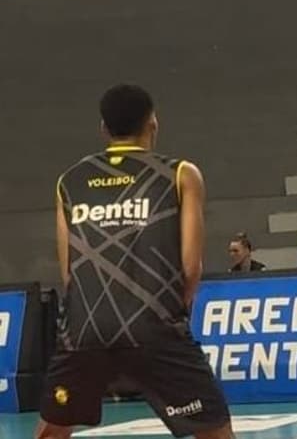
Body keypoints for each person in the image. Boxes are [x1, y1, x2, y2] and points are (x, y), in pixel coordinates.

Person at [35, 84, 234, 439]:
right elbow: (190, 267)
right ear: (152, 123)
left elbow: (68, 274)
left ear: (103, 129)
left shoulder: (69, 181)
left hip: (85, 330)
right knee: (214, 430)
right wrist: (171, 318)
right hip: (154, 326)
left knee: (53, 428)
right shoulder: (181, 174)